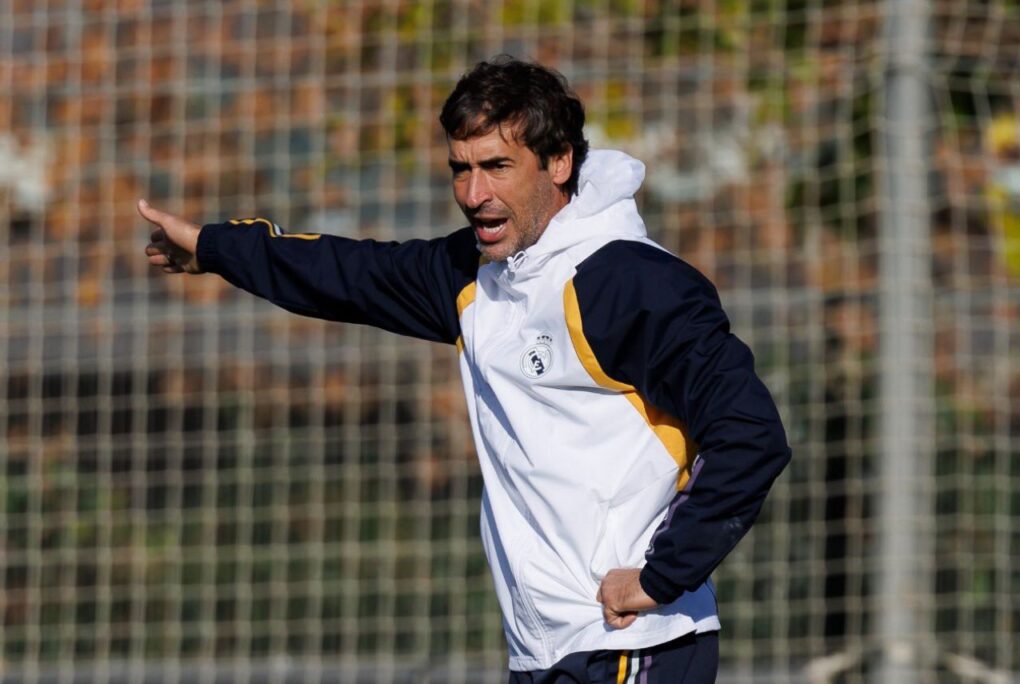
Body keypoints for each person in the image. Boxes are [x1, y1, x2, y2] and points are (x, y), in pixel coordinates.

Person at [142, 56, 790, 683]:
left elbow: (751, 435)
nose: (474, 194)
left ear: (559, 162)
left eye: (498, 167)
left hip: (634, 646)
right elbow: (346, 275)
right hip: (543, 652)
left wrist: (661, 576)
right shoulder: (473, 278)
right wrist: (211, 248)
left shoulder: (629, 284)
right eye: (461, 169)